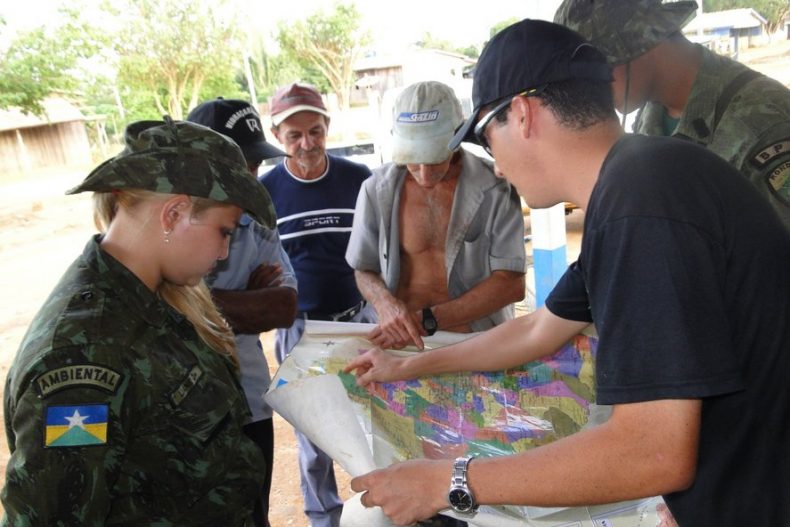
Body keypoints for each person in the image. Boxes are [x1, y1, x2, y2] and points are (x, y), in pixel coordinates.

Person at [343, 20, 790, 527]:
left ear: (522, 113)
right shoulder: (639, 179)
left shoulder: (642, 203)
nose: (497, 166)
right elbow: (539, 328)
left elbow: (651, 450)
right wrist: (411, 366)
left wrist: (448, 481)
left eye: (487, 140)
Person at [1, 118, 279, 525]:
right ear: (174, 214)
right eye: (224, 231)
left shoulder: (154, 297)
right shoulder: (85, 355)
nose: (224, 252)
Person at [554, 0, 790, 231]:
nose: (591, 89)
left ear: (640, 43)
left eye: (597, 71)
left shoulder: (762, 124)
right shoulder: (651, 113)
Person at [260, 82, 373, 527]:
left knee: (374, 422)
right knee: (313, 436)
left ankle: (386, 507)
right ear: (277, 136)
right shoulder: (266, 191)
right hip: (299, 330)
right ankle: (324, 517)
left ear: (327, 128)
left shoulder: (359, 178)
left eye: (315, 131)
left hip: (359, 322)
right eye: (294, 135)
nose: (307, 143)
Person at [346, 80, 526, 351]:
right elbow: (363, 268)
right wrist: (385, 303)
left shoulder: (496, 187)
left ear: (458, 136)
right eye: (412, 158)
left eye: (435, 158)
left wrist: (429, 320)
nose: (424, 173)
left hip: (475, 342)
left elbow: (511, 283)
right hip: (400, 342)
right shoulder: (376, 189)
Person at [187, 97, 298, 527]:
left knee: (256, 516)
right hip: (190, 412)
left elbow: (283, 307)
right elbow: (158, 307)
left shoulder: (258, 220)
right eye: (240, 166)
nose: (251, 177)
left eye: (255, 165)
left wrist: (198, 299)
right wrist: (245, 299)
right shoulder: (170, 223)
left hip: (250, 400)